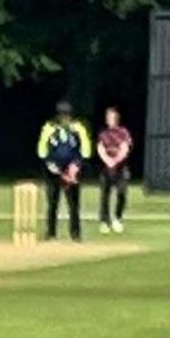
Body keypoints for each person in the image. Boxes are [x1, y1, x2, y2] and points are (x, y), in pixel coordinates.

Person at [35, 100, 89, 241]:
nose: (66, 118)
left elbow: (86, 150)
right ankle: (51, 233)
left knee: (73, 204)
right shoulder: (49, 128)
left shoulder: (78, 128)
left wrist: (76, 166)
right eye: (63, 116)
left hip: (72, 170)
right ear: (58, 116)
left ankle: (75, 234)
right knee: (53, 202)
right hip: (53, 170)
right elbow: (41, 150)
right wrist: (50, 164)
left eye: (68, 115)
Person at [95, 104, 135, 232]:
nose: (109, 119)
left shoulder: (123, 132)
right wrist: (108, 161)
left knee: (122, 193)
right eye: (108, 117)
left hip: (121, 169)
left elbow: (125, 148)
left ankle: (117, 218)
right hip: (106, 169)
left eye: (111, 117)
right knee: (104, 196)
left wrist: (115, 160)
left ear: (116, 118)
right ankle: (104, 222)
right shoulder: (103, 134)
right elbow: (100, 149)